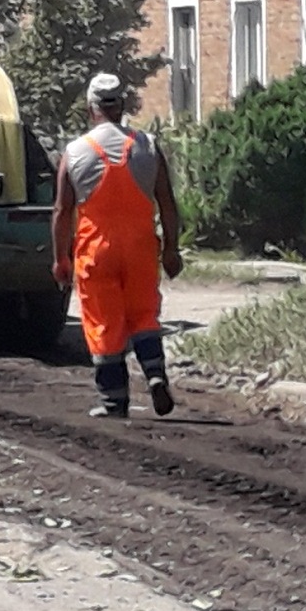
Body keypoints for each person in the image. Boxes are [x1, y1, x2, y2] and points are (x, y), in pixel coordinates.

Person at [51, 73, 184, 419]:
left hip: (97, 252)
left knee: (103, 324)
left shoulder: (76, 152)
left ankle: (114, 401)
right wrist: (172, 249)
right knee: (143, 314)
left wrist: (60, 259)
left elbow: (62, 211)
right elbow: (167, 203)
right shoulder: (147, 146)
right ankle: (154, 373)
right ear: (121, 106)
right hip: (140, 247)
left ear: (90, 108)